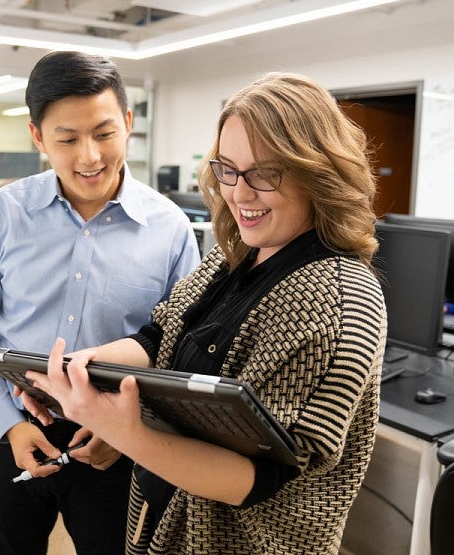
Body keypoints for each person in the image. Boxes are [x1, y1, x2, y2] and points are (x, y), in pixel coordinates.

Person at [22, 72, 388, 554]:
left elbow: (258, 479)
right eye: (227, 169)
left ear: (317, 171)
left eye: (265, 173)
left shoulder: (335, 300)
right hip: (163, 522)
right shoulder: (233, 252)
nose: (239, 193)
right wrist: (82, 369)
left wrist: (124, 431)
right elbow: (159, 338)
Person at [0, 50, 201, 555]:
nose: (89, 156)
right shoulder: (5, 213)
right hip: (10, 426)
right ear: (37, 136)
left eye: (104, 134)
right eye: (67, 138)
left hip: (118, 441)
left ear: (128, 123)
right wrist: (8, 422)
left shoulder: (169, 228)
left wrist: (131, 428)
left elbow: (178, 346)